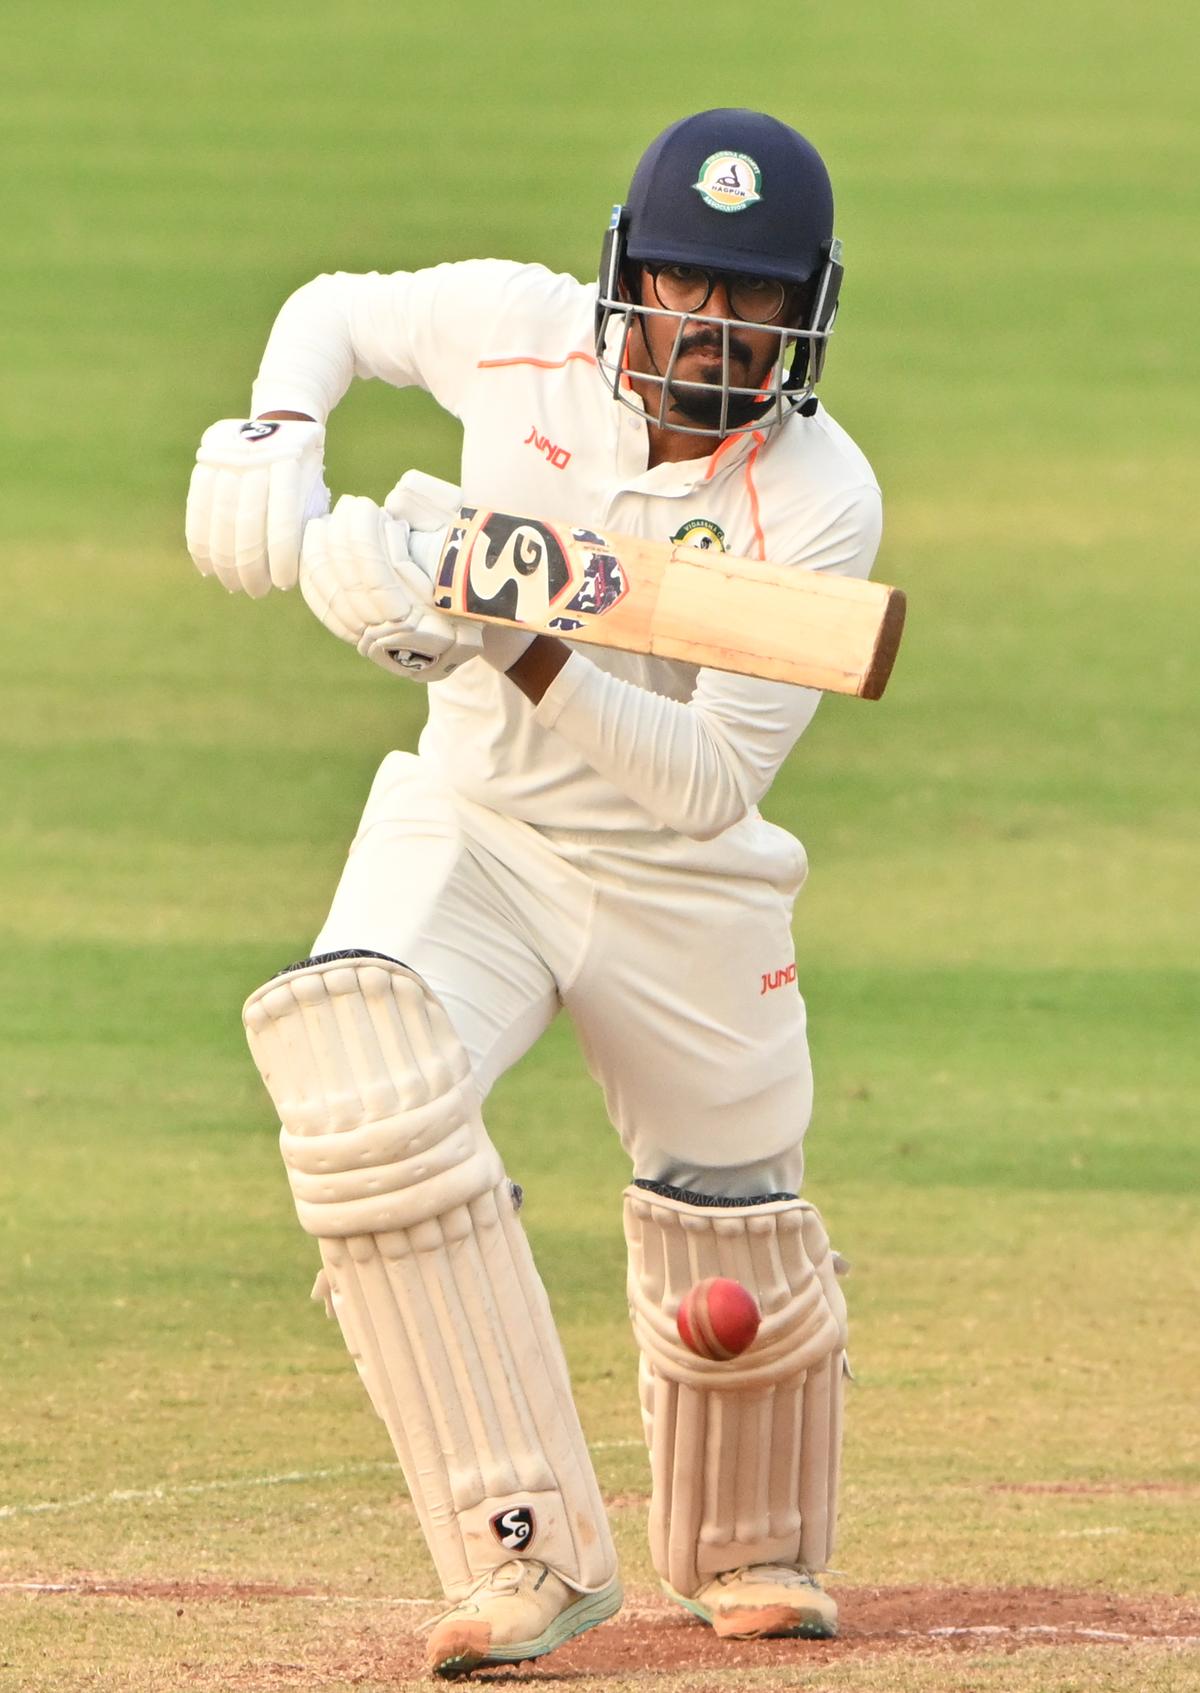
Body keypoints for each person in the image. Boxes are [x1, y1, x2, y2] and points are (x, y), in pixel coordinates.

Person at [186, 107, 881, 1681]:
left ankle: (745, 1542)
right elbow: (337, 312)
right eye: (687, 284)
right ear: (627, 271)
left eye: (753, 297)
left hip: (683, 882)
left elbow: (706, 780)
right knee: (359, 1085)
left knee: (734, 1245)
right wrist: (280, 430)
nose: (710, 326)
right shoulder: (515, 331)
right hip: (478, 827)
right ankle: (525, 1548)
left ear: (805, 317)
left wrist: (512, 630)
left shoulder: (823, 500)